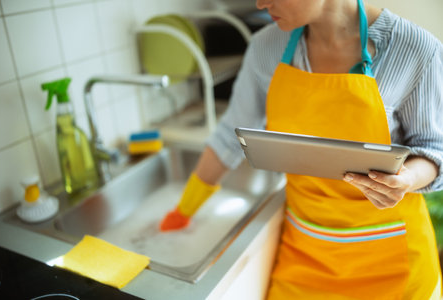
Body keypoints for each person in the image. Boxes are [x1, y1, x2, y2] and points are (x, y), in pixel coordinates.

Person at [160, 0, 443, 298]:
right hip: (306, 251)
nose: (260, 3)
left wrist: (407, 178)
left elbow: (434, 149)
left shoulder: (414, 50)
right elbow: (229, 139)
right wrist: (184, 210)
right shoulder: (266, 47)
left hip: (392, 260)